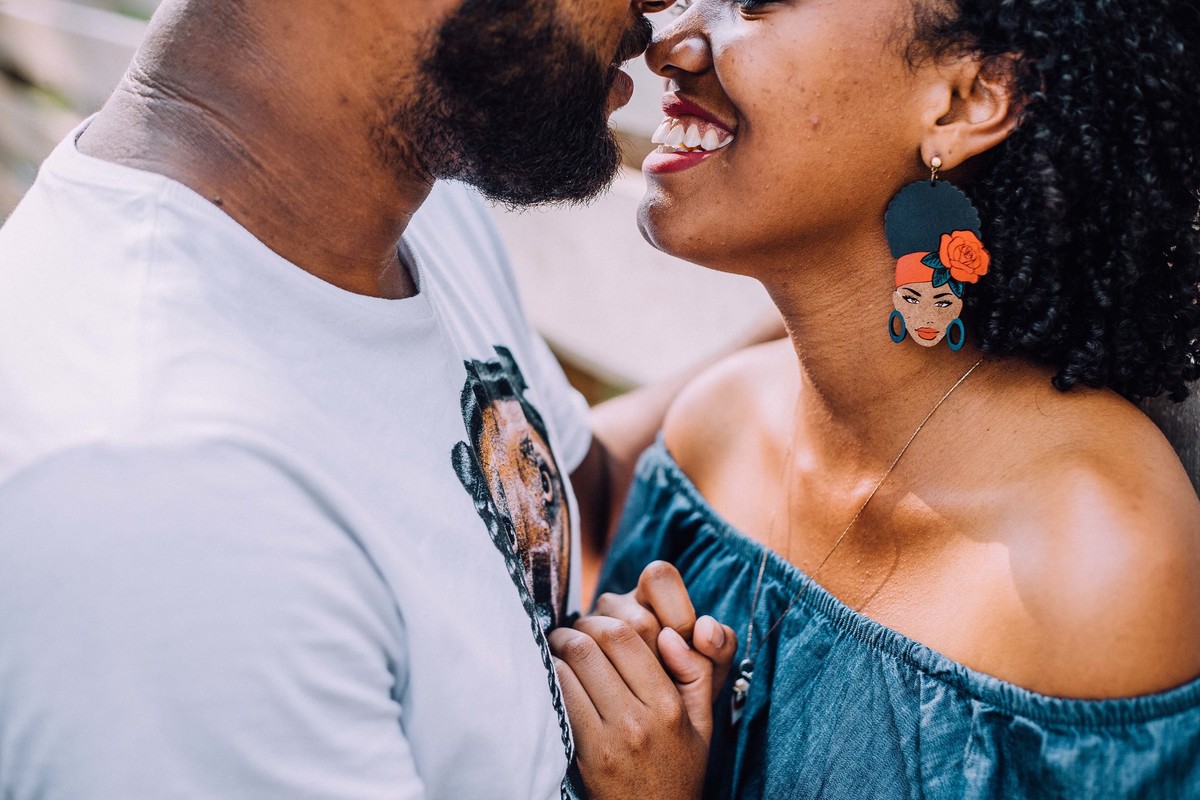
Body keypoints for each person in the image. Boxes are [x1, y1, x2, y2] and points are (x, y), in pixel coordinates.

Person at [0, 0, 747, 797]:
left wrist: (851, 298)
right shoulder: (167, 505)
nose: (663, 9)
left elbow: (569, 492)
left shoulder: (401, 208)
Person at [596, 0, 1200, 796]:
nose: (667, 43)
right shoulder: (716, 432)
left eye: (753, 3)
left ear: (964, 102)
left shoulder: (1096, 563)